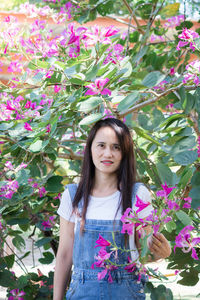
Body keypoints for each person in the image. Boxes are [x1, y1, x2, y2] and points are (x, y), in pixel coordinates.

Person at [53, 118, 171, 300]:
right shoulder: (73, 195)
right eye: (101, 145)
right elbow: (64, 255)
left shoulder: (137, 194)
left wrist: (162, 252)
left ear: (125, 153)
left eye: (116, 147)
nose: (108, 153)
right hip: (82, 293)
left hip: (126, 292)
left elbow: (143, 252)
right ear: (90, 149)